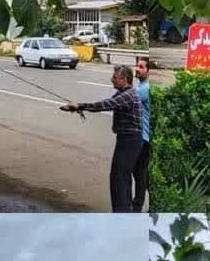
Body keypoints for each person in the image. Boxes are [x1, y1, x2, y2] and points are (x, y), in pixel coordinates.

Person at [60, 65, 143, 213]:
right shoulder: (122, 93)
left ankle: (122, 212)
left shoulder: (127, 95)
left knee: (119, 178)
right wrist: (77, 108)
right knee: (122, 176)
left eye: (115, 77)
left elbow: (105, 105)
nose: (112, 79)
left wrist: (80, 105)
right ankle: (125, 210)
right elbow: (104, 103)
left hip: (130, 140)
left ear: (124, 79)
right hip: (128, 139)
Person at [132, 57, 151, 212]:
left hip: (144, 139)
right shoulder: (144, 86)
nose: (137, 69)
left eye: (141, 67)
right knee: (143, 171)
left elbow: (125, 100)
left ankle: (137, 205)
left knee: (139, 172)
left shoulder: (144, 89)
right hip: (146, 137)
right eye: (137, 66)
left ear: (148, 71)